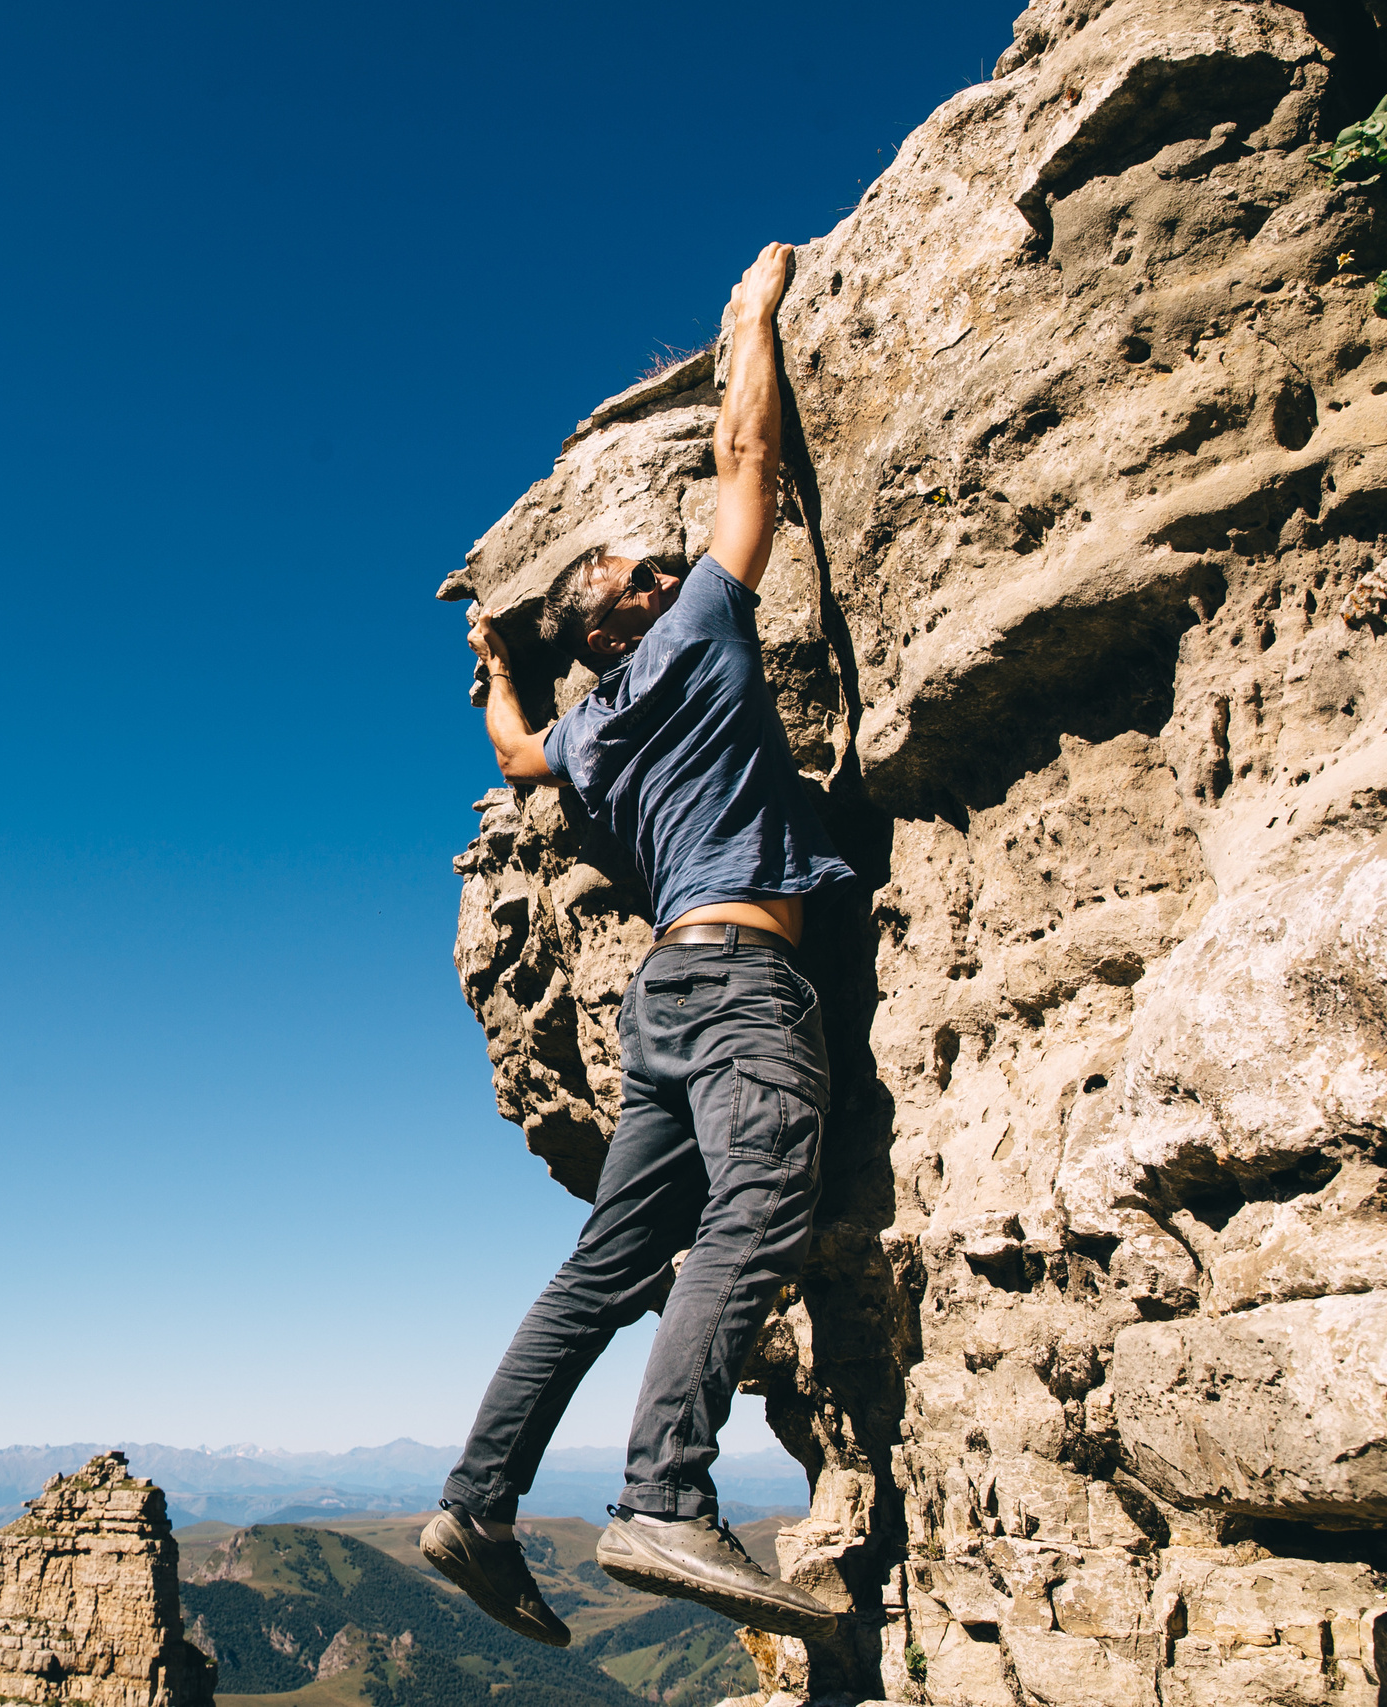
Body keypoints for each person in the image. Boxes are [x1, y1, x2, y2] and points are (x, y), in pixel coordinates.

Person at [419, 241, 853, 1645]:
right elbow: (748, 457)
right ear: (633, 619)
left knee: (607, 1266)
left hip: (660, 998)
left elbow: (514, 751)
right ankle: (665, 1496)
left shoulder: (589, 735)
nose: (672, 565)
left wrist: (497, 667)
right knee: (758, 1209)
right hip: (738, 983)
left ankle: (475, 1504)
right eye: (646, 572)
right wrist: (756, 317)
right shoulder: (706, 629)